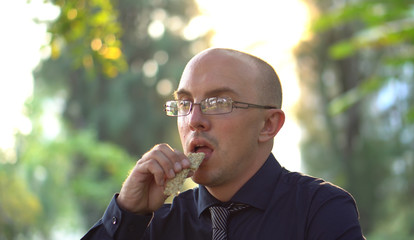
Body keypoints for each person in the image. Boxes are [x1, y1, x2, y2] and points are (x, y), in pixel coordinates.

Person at [81, 48, 365, 240]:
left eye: (218, 103)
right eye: (184, 103)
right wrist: (127, 212)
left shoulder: (320, 211)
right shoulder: (154, 224)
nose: (194, 120)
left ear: (268, 125)